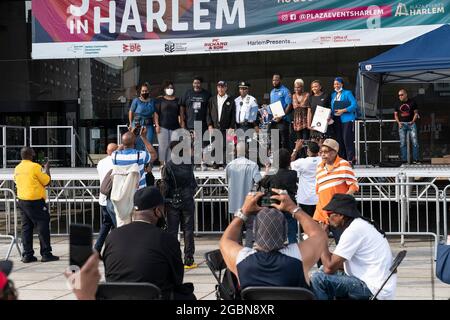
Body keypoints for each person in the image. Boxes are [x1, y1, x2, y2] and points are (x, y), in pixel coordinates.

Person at [220, 188, 327, 290]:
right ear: (285, 232)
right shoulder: (298, 256)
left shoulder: (241, 259)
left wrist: (243, 212)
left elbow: (226, 240)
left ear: (254, 232)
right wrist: (293, 208)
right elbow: (319, 234)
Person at [102, 187, 195, 300]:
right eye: (163, 209)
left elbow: (109, 275)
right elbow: (177, 280)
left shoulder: (112, 236)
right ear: (157, 211)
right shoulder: (167, 240)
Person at [311, 194, 396, 300]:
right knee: (322, 270)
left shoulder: (353, 231)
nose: (327, 218)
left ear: (341, 215)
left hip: (372, 288)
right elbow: (336, 262)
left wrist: (322, 238)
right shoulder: (359, 225)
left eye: (329, 213)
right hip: (376, 282)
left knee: (318, 279)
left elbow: (330, 268)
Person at [14, 147, 59, 263]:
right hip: (35, 201)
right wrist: (47, 168)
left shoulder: (17, 168)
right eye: (33, 152)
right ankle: (46, 253)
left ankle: (27, 254)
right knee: (42, 225)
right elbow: (47, 181)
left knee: (26, 228)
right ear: (31, 154)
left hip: (22, 200)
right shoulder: (35, 167)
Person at [314, 139, 358, 242]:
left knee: (343, 244)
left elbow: (354, 185)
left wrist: (342, 202)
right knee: (320, 247)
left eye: (326, 152)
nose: (323, 155)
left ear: (334, 152)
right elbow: (319, 191)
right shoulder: (319, 168)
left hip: (339, 214)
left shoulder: (344, 164)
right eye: (321, 152)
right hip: (322, 213)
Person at [111, 128, 157, 226]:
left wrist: (128, 136)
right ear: (135, 141)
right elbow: (153, 154)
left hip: (122, 196)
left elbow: (118, 149)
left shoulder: (115, 156)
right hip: (139, 196)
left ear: (122, 143)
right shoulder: (140, 155)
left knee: (124, 227)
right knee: (138, 225)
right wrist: (143, 137)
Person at [164, 141, 198, 269]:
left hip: (173, 201)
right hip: (188, 199)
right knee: (188, 230)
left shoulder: (168, 166)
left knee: (172, 231)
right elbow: (193, 183)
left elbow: (165, 186)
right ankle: (189, 259)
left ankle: (172, 258)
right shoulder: (189, 164)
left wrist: (166, 199)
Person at [225, 142, 262, 247]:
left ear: (235, 151)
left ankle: (238, 250)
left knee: (237, 227)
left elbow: (227, 180)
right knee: (250, 227)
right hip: (248, 202)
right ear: (247, 151)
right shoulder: (252, 165)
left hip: (235, 203)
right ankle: (248, 249)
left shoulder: (230, 165)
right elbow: (258, 180)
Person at [258, 149, 298, 243]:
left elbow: (263, 183)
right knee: (291, 232)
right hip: (289, 204)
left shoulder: (272, 175)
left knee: (272, 231)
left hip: (273, 205)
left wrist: (268, 169)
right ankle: (294, 251)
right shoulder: (293, 174)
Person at [95, 143, 118, 253]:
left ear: (107, 151)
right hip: (112, 198)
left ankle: (97, 248)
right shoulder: (116, 162)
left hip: (103, 198)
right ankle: (113, 249)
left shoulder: (100, 163)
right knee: (117, 225)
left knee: (106, 224)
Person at [207, 81, 236, 168]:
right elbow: (208, 113)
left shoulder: (230, 100)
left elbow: (233, 115)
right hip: (215, 126)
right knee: (215, 144)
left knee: (225, 145)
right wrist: (209, 125)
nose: (221, 89)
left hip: (226, 127)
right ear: (217, 88)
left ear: (226, 88)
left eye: (223, 87)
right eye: (219, 87)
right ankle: (216, 162)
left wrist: (231, 126)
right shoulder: (212, 99)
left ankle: (224, 162)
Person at [154, 80, 184, 165]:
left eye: (171, 87)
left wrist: (182, 124)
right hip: (163, 127)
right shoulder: (160, 100)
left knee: (174, 146)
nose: (170, 89)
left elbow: (181, 114)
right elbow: (156, 114)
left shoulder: (177, 100)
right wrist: (157, 125)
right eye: (168, 88)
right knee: (163, 146)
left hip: (175, 127)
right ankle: (162, 165)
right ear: (164, 89)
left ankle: (172, 164)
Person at [330, 77, 358, 164]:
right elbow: (332, 107)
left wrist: (343, 110)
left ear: (342, 84)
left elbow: (354, 105)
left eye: (338, 83)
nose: (336, 85)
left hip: (347, 119)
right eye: (335, 84)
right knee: (339, 140)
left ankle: (350, 159)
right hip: (336, 119)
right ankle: (341, 159)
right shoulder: (333, 95)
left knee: (347, 138)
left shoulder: (347, 93)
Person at [290, 140, 321, 217]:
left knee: (305, 224)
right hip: (319, 198)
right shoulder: (323, 161)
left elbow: (289, 163)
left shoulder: (302, 162)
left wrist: (296, 149)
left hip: (305, 199)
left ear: (308, 151)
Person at [394, 89, 420, 164]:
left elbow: (416, 113)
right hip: (402, 124)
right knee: (403, 143)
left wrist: (413, 121)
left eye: (401, 95)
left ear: (406, 94)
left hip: (411, 124)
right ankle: (404, 160)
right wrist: (398, 123)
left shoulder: (412, 102)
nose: (400, 96)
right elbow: (395, 115)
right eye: (399, 95)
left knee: (415, 142)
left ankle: (416, 159)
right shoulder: (397, 103)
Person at [128, 82, 156, 151]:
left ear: (148, 91)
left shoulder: (152, 101)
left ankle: (148, 161)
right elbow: (131, 112)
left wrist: (156, 124)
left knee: (148, 143)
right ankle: (139, 160)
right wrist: (131, 124)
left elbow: (155, 113)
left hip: (149, 125)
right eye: (143, 91)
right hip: (137, 124)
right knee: (137, 143)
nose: (144, 92)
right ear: (140, 92)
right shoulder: (136, 100)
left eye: (146, 91)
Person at [270, 73, 292, 149]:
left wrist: (281, 116)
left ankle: (285, 159)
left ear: (280, 80)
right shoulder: (272, 92)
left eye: (276, 80)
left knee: (284, 141)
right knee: (275, 142)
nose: (274, 82)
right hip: (274, 120)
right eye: (273, 80)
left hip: (283, 120)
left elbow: (289, 105)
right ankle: (277, 159)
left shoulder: (285, 91)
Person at [292, 79, 311, 143]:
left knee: (305, 139)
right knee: (298, 140)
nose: (296, 89)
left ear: (302, 87)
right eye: (295, 87)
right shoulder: (293, 96)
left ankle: (306, 153)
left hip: (305, 119)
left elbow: (310, 107)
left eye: (298, 87)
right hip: (297, 120)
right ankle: (299, 153)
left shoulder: (307, 95)